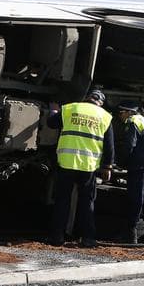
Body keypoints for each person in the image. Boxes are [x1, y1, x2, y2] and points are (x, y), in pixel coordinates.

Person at [48, 89, 114, 247]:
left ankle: (57, 237)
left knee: (62, 200)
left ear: (87, 98)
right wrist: (107, 167)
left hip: (66, 163)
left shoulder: (71, 108)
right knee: (87, 203)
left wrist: (54, 110)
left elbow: (51, 123)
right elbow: (109, 145)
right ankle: (88, 238)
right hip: (88, 166)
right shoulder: (105, 116)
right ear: (100, 103)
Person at [116, 100, 144, 244]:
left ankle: (131, 234)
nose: (119, 116)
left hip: (139, 164)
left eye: (121, 112)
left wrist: (121, 162)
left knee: (135, 198)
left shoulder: (133, 121)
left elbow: (130, 144)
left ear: (129, 112)